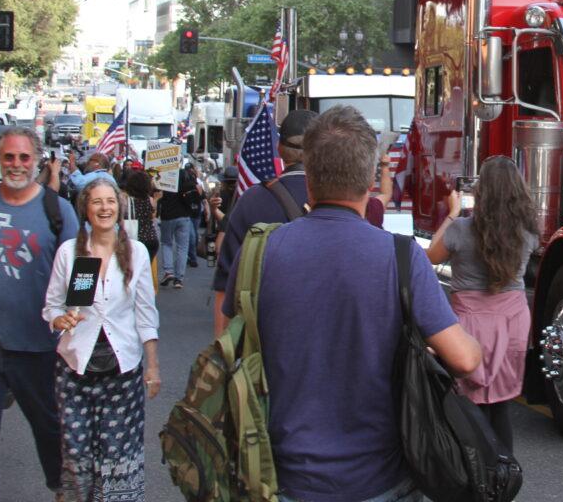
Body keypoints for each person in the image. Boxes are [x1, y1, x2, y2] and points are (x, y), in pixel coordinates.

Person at [222, 105, 480, 502]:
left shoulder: (260, 252)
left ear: (308, 179)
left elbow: (229, 349)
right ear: (369, 182)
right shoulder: (401, 257)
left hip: (282, 476)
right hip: (381, 479)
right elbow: (464, 359)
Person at [43, 178, 160, 501]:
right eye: (97, 202)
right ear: (86, 208)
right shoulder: (70, 252)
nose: (104, 208)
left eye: (110, 201)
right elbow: (51, 305)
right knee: (77, 451)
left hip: (122, 371)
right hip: (75, 369)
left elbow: (146, 314)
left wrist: (152, 366)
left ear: (119, 208)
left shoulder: (135, 252)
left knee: (116, 453)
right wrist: (59, 318)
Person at [0, 127, 79, 502]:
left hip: (40, 348)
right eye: (9, 157)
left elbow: (83, 267)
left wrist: (75, 313)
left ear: (37, 160)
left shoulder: (57, 210)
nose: (17, 165)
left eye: (24, 157)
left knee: (48, 427)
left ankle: (61, 487)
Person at [425, 156, 538, 454]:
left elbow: (429, 259)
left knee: (466, 407)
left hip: (470, 322)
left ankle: (474, 477)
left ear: (481, 191)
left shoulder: (461, 229)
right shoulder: (528, 232)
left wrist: (452, 212)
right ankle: (503, 478)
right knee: (500, 406)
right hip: (513, 320)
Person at [212, 109, 317, 336]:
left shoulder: (251, 200)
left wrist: (223, 351)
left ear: (279, 149)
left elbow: (226, 281)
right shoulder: (335, 199)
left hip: (260, 342)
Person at [156, 164, 201, 289]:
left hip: (167, 214)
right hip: (183, 214)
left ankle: (168, 271)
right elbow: (196, 190)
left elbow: (155, 190)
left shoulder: (163, 174)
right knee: (182, 247)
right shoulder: (184, 174)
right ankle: (179, 278)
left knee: (166, 243)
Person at [123, 169, 160, 262]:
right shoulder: (150, 200)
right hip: (151, 238)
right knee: (145, 270)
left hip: (135, 239)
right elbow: (153, 217)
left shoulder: (127, 201)